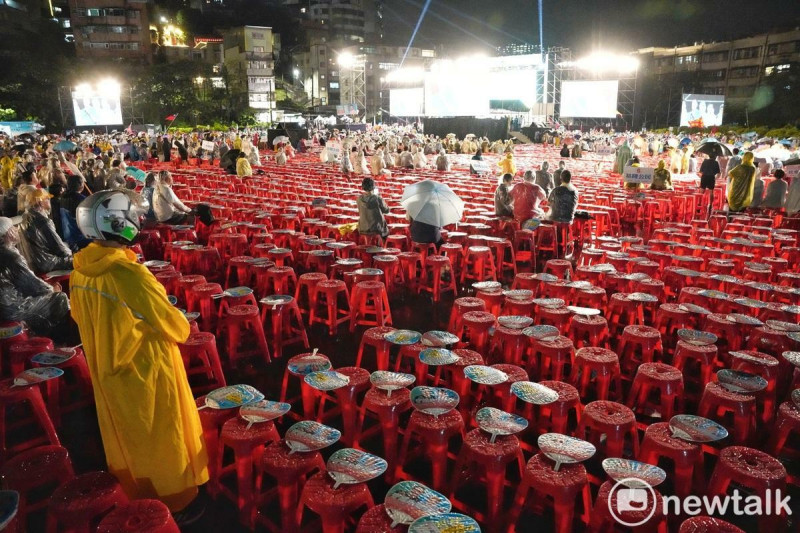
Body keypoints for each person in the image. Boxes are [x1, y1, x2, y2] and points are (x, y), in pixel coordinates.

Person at [71, 190, 208, 521]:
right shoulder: (128, 275)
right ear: (118, 223)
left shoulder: (80, 271)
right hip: (146, 371)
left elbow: (80, 318)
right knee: (163, 438)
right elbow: (177, 327)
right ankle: (177, 502)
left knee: (128, 439)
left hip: (106, 370)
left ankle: (138, 494)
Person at [0, 217, 71, 338]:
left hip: (5, 306)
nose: (16, 229)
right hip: (13, 309)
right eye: (12, 227)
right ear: (8, 234)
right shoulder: (11, 256)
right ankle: (58, 339)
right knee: (60, 299)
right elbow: (33, 286)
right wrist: (52, 289)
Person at [19, 188, 73, 274]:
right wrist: (71, 255)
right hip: (47, 263)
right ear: (40, 202)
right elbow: (60, 248)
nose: (49, 200)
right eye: (47, 199)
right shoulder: (43, 221)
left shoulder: (26, 218)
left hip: (35, 263)